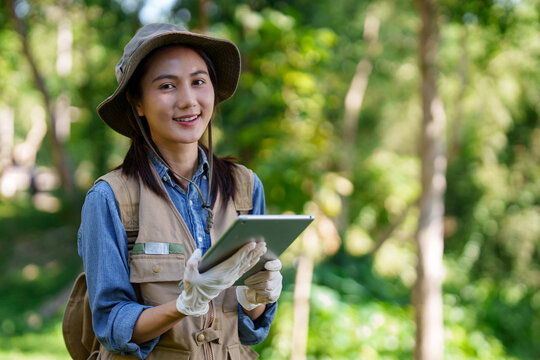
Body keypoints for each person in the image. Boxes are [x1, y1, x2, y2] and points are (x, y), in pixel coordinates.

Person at [77, 23, 283, 359]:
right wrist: (185, 305)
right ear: (138, 103)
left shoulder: (246, 188)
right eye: (167, 86)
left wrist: (257, 298)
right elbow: (112, 324)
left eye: (198, 81)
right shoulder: (109, 199)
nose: (188, 100)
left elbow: (248, 329)